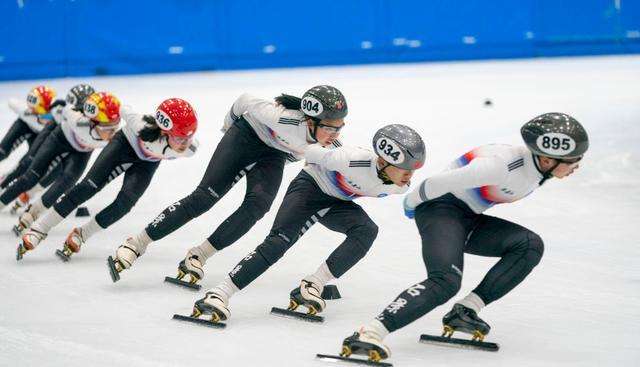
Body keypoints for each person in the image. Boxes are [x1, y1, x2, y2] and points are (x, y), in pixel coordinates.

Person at [339, 112, 589, 363]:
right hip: (440, 209)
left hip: (467, 217)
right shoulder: (500, 166)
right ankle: (369, 333)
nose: (576, 166)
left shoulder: (536, 170)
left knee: (529, 245)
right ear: (547, 159)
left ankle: (466, 310)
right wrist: (411, 205)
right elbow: (437, 182)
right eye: (573, 160)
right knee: (446, 280)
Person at [187, 124, 426, 324]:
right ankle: (219, 294)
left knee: (366, 230)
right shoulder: (351, 160)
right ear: (384, 162)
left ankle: (313, 284)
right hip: (308, 190)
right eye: (405, 169)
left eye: (413, 171)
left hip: (337, 202)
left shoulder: (400, 184)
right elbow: (308, 151)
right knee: (278, 243)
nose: (409, 177)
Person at [107, 85, 348, 283]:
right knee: (205, 198)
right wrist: (229, 130)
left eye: (339, 127)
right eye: (329, 128)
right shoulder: (282, 118)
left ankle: (199, 256)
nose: (335, 134)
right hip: (246, 135)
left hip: (274, 154)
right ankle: (136, 244)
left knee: (258, 206)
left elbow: (339, 161)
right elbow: (244, 100)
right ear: (310, 121)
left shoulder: (329, 142)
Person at [18, 98, 199, 261]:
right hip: (123, 146)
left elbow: (185, 142)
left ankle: (82, 234)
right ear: (164, 132)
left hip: (147, 162)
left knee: (125, 204)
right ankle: (40, 229)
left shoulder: (190, 149)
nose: (185, 144)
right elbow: (123, 108)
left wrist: (184, 139)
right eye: (180, 138)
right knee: (87, 187)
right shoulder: (140, 125)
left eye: (189, 137)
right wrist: (84, 109)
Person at [1, 91, 121, 236]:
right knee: (30, 177)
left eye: (116, 126)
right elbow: (64, 108)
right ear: (92, 122)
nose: (113, 133)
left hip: (81, 152)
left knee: (67, 182)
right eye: (108, 128)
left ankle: (34, 212)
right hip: (59, 140)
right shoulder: (76, 120)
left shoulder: (108, 131)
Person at [2, 84, 96, 216]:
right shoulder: (51, 114)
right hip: (49, 136)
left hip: (59, 138)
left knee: (57, 173)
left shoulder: (65, 115)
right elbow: (14, 103)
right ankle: (7, 187)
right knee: (27, 165)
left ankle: (27, 194)